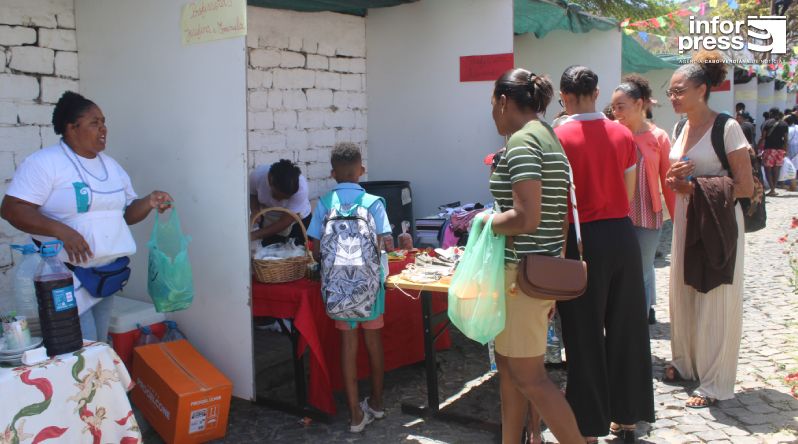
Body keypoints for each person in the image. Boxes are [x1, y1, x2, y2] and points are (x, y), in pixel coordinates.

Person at [0, 91, 172, 342]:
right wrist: (62, 231)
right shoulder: (45, 163)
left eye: (104, 122)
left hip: (104, 275)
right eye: (94, 123)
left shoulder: (111, 167)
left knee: (99, 342)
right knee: (82, 346)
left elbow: (124, 215)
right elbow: (12, 209)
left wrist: (148, 202)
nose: (103, 129)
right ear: (71, 128)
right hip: (64, 276)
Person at [554, 65, 655, 442]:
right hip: (621, 233)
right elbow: (628, 194)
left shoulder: (557, 136)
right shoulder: (622, 134)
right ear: (597, 94)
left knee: (583, 336)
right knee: (628, 327)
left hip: (580, 239)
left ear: (564, 96)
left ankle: (589, 426)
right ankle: (627, 419)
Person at [485, 68, 583, 444]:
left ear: (504, 101)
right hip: (537, 272)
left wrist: (482, 224)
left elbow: (527, 216)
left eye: (492, 103)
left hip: (521, 275)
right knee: (510, 373)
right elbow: (557, 217)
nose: (492, 112)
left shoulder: (524, 142)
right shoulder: (547, 136)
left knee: (530, 378)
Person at [663, 50, 754, 409]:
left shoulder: (726, 127)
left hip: (717, 221)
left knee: (716, 295)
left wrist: (695, 187)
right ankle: (685, 363)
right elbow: (676, 176)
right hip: (687, 219)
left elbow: (744, 186)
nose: (673, 97)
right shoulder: (680, 126)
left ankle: (716, 382)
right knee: (684, 290)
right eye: (669, 91)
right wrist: (673, 181)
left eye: (679, 91)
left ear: (702, 89)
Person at [307, 143, 391, 433]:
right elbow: (386, 243)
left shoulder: (324, 203)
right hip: (371, 289)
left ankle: (355, 414)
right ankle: (378, 403)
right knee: (374, 343)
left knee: (348, 347)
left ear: (333, 174)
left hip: (339, 289)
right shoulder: (374, 203)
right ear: (361, 171)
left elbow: (316, 248)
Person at [611, 74, 676, 325]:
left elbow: (668, 180)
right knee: (623, 270)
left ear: (639, 105)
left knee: (643, 268)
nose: (616, 112)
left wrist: (677, 219)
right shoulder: (613, 133)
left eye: (621, 106)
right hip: (618, 213)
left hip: (648, 213)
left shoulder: (658, 137)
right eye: (614, 107)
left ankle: (639, 320)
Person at [249, 159, 312, 245]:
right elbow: (252, 194)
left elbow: (284, 222)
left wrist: (254, 235)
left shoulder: (301, 188)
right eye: (277, 195)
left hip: (297, 221)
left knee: (296, 253)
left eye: (286, 198)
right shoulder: (257, 176)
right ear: (270, 181)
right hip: (269, 219)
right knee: (267, 254)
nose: (279, 200)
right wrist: (255, 210)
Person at [759, 107, 789, 196]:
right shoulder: (784, 124)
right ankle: (773, 189)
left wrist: (758, 146)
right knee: (776, 169)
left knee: (767, 169)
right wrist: (786, 150)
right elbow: (786, 139)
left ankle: (772, 188)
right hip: (780, 150)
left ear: (771, 113)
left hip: (769, 149)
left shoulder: (767, 123)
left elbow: (763, 137)